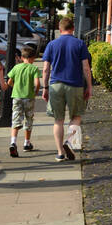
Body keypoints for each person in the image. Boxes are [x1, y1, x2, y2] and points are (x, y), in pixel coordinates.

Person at [41, 16, 92, 162]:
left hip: (56, 85)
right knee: (76, 117)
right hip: (75, 85)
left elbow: (45, 69)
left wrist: (45, 87)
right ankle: (69, 142)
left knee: (58, 120)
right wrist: (89, 86)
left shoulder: (52, 44)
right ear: (73, 28)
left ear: (59, 28)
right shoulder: (80, 44)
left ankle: (60, 152)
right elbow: (86, 68)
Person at [8, 43, 42, 157]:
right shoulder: (34, 68)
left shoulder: (16, 67)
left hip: (16, 96)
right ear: (33, 58)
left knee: (16, 119)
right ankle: (27, 143)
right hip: (29, 97)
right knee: (28, 119)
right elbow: (37, 83)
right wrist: (36, 91)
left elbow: (9, 81)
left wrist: (15, 87)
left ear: (22, 58)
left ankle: (13, 142)